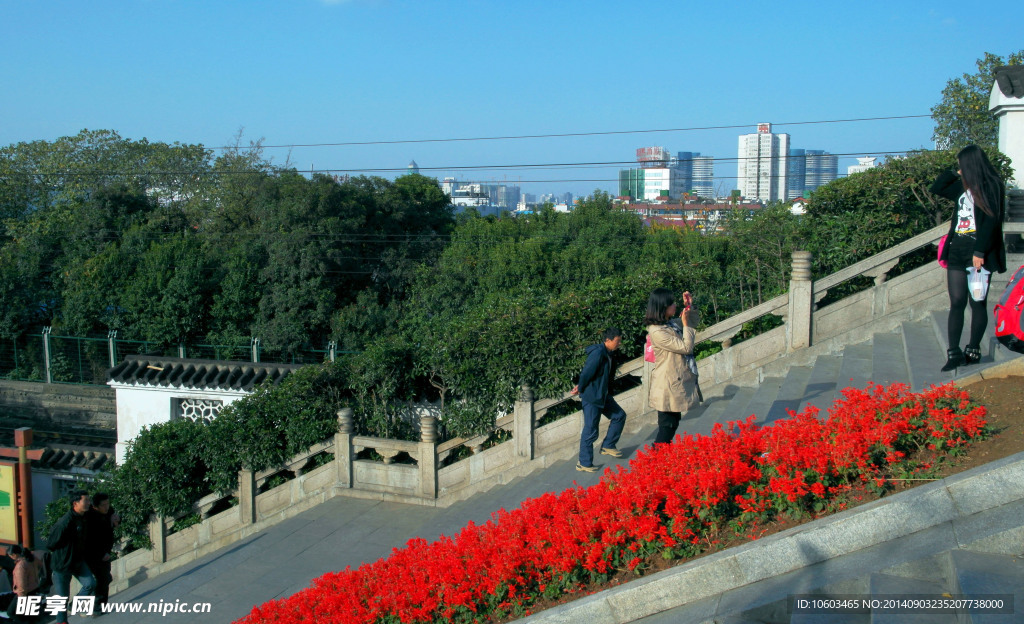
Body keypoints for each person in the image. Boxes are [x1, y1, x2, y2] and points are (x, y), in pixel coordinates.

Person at [930, 144, 1007, 371]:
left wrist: (980, 252)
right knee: (956, 302)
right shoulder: (962, 187)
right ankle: (953, 352)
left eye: (962, 164)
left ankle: (973, 349)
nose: (959, 169)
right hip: (957, 249)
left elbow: (992, 222)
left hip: (977, 252)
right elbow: (938, 187)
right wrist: (956, 173)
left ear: (971, 164)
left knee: (977, 302)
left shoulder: (992, 186)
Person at [645, 288, 700, 444]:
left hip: (673, 381)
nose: (675, 306)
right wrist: (685, 324)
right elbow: (686, 347)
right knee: (667, 426)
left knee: (672, 423)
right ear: (662, 307)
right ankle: (657, 458)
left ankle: (660, 457)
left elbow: (692, 324)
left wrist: (689, 307)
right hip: (666, 385)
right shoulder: (657, 331)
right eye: (671, 303)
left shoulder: (669, 324)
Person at [570, 327, 627, 472]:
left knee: (619, 416)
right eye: (617, 341)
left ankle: (608, 445)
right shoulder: (597, 353)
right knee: (590, 431)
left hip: (602, 395)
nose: (619, 344)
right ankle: (584, 463)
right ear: (607, 340)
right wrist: (580, 388)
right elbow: (586, 373)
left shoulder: (610, 354)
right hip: (592, 397)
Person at [45, 490, 96, 623]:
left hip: (78, 562)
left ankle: (74, 606)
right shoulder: (64, 523)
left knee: (90, 583)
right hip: (62, 565)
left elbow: (103, 511)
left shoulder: (85, 516)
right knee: (62, 598)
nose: (88, 503)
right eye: (86, 501)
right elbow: (51, 544)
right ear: (75, 503)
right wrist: (66, 549)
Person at [85, 492, 119, 610]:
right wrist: (101, 554)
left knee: (105, 578)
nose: (107, 507)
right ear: (95, 506)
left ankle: (100, 605)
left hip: (106, 550)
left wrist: (116, 522)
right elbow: (90, 540)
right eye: (103, 505)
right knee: (103, 578)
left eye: (108, 503)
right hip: (93, 553)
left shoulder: (109, 511)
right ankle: (97, 604)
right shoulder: (89, 517)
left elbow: (116, 521)